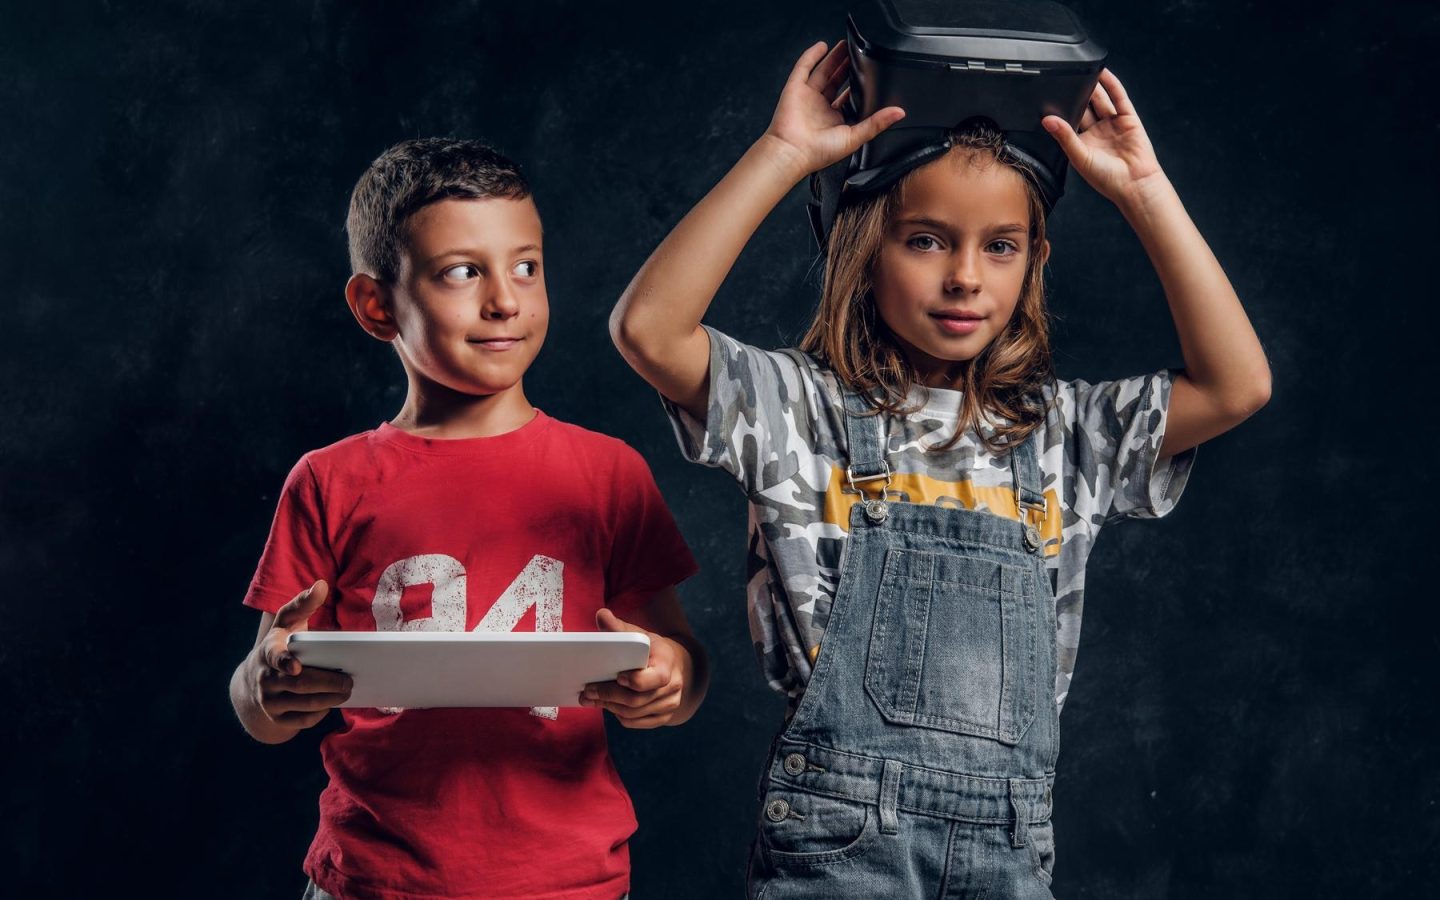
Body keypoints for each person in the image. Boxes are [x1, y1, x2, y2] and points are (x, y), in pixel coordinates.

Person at [610, 41, 1270, 896]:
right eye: (926, 240)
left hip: (1011, 847)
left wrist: (1144, 192)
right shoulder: (797, 412)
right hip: (840, 840)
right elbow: (649, 331)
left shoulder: (1064, 433)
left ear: (1034, 260)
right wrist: (785, 154)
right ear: (863, 248)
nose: (965, 277)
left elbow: (1238, 384)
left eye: (1001, 246)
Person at [229, 137, 705, 900]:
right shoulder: (330, 481)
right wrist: (267, 686)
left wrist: (668, 680)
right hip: (374, 881)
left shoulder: (607, 472)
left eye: (526, 266)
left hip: (568, 883)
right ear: (376, 305)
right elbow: (261, 706)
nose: (505, 300)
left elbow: (683, 667)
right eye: (461, 272)